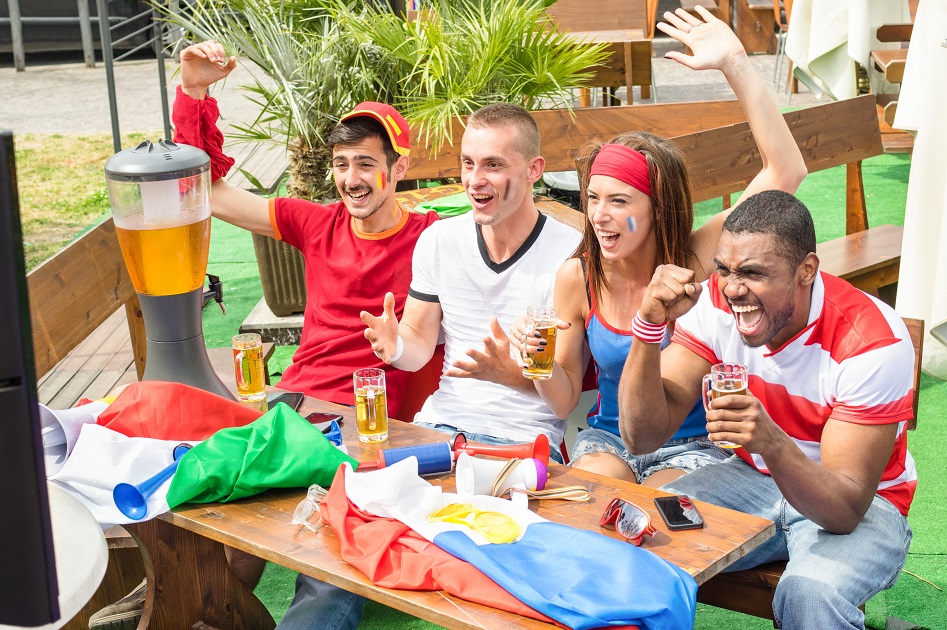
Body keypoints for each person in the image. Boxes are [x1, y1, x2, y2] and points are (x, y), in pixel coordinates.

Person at [91, 41, 437, 630]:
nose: (350, 179)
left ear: (398, 168)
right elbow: (212, 190)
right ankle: (177, 595)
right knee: (213, 483)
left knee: (329, 549)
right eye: (341, 164)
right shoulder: (317, 221)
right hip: (294, 405)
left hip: (369, 423)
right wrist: (195, 93)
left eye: (365, 164)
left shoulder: (434, 239)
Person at [511, 6, 807, 487]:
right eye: (592, 199)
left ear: (656, 209)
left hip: (695, 448)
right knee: (589, 503)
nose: (599, 215)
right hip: (609, 441)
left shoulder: (700, 258)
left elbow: (786, 173)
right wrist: (537, 364)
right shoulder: (579, 276)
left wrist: (734, 61)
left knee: (663, 518)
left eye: (619, 201)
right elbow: (564, 401)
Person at [619, 190, 917, 628]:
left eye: (753, 273)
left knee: (809, 594)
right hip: (750, 478)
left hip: (867, 502)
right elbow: (640, 436)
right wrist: (648, 327)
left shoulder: (871, 342)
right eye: (724, 270)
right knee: (635, 540)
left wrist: (771, 442)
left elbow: (844, 510)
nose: (733, 289)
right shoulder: (715, 305)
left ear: (806, 270)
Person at [362, 102, 581, 463]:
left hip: (522, 442)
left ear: (534, 170)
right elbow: (417, 343)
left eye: (493, 165)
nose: (474, 179)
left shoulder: (571, 254)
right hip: (442, 428)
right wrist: (396, 343)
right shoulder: (439, 239)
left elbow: (565, 400)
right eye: (468, 163)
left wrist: (517, 371)